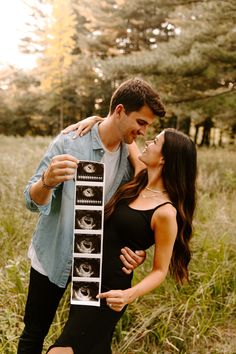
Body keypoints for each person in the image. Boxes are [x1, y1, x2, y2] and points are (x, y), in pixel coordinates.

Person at [17, 78, 166, 354]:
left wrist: (138, 250)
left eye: (148, 127)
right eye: (141, 122)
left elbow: (133, 217)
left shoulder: (130, 161)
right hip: (53, 255)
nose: (144, 132)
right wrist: (47, 182)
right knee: (33, 334)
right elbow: (30, 200)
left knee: (84, 343)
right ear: (120, 110)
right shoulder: (70, 142)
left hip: (94, 267)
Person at [46, 128, 197, 354]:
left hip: (109, 293)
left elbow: (160, 270)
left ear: (164, 158)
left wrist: (129, 295)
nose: (147, 142)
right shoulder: (139, 178)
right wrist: (95, 120)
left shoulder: (166, 212)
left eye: (155, 141)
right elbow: (123, 130)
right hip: (85, 280)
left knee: (61, 351)